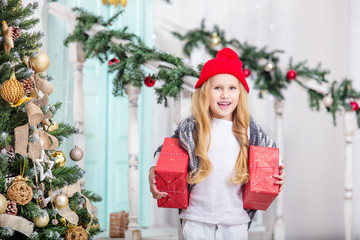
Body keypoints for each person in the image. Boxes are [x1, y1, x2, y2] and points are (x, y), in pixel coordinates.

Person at [149, 47, 285, 240]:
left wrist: (280, 172)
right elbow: (166, 155)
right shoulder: (192, 128)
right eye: (217, 88)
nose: (225, 95)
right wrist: (153, 171)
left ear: (240, 93)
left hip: (235, 222)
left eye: (232, 88)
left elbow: (272, 158)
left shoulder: (249, 130)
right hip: (197, 220)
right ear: (206, 92)